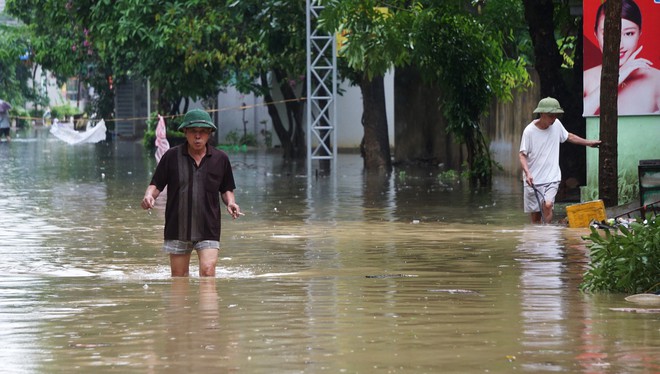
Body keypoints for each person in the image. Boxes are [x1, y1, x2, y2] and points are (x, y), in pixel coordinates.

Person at [141, 109, 241, 277]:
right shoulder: (171, 157)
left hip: (209, 226)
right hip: (177, 227)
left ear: (209, 133)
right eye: (193, 131)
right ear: (185, 132)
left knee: (208, 271)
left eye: (202, 132)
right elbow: (156, 184)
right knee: (179, 277)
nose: (197, 136)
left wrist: (231, 202)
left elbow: (226, 189)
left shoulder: (220, 159)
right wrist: (149, 196)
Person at [519, 97, 602, 224]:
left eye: (555, 115)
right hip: (533, 180)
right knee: (535, 218)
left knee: (548, 205)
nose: (553, 118)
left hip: (552, 177)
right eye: (550, 115)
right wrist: (527, 173)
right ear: (542, 114)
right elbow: (522, 155)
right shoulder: (529, 131)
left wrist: (588, 143)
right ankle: (537, 239)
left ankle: (547, 238)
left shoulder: (556, 125)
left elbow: (569, 136)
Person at [583, 0, 660, 116]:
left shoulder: (656, 80)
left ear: (640, 32)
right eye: (609, 33)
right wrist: (617, 77)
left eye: (628, 34)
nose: (619, 44)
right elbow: (580, 116)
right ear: (596, 34)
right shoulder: (587, 78)